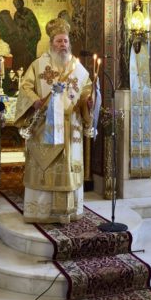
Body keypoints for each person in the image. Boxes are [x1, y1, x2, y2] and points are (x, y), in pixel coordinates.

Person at [14, 18, 93, 224]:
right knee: (46, 166)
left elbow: (86, 90)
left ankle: (69, 210)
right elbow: (25, 87)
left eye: (65, 41)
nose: (63, 45)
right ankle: (41, 212)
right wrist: (35, 101)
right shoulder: (38, 65)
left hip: (71, 127)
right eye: (59, 41)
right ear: (51, 43)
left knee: (67, 166)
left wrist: (89, 101)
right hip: (44, 126)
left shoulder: (78, 69)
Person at [12, 0, 41, 70]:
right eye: (15, 5)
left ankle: (32, 70)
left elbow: (33, 24)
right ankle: (23, 70)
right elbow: (15, 25)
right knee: (22, 55)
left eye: (18, 4)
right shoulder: (16, 14)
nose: (16, 6)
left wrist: (23, 24)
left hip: (31, 37)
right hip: (22, 38)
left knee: (30, 54)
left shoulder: (28, 12)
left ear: (22, 4)